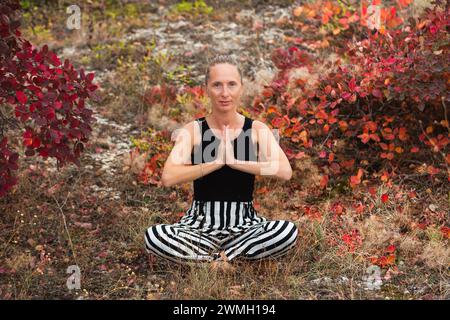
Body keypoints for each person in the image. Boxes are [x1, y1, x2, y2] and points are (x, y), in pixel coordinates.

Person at [144, 54, 298, 270]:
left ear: (241, 88)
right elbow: (169, 177)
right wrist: (215, 162)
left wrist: (235, 162)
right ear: (206, 88)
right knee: (154, 235)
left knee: (287, 231)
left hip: (245, 228)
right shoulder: (194, 130)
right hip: (198, 228)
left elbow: (284, 171)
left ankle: (217, 260)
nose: (225, 93)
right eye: (217, 85)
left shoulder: (255, 130)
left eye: (231, 84)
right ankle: (223, 262)